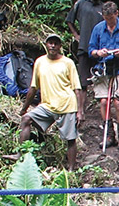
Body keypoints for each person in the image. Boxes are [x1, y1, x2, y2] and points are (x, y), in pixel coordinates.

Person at [19, 34, 84, 171]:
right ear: (46, 45)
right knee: (26, 119)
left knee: (70, 139)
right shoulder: (40, 62)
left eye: (56, 43)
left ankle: (71, 170)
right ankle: (20, 155)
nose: (53, 46)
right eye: (50, 43)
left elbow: (77, 88)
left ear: (60, 46)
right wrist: (24, 108)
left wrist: (80, 111)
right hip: (47, 105)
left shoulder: (68, 63)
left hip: (67, 105)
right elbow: (33, 87)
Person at [87, 1, 119, 149]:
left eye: (110, 17)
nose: (108, 21)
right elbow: (91, 50)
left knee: (118, 101)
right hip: (103, 68)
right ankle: (109, 134)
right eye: (106, 18)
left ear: (116, 14)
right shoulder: (98, 29)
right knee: (104, 101)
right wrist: (98, 52)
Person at [64, 0, 104, 117]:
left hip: (99, 50)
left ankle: (102, 112)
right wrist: (76, 34)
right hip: (84, 47)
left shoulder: (104, 8)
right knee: (82, 80)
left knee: (100, 79)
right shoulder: (81, 4)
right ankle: (80, 110)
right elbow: (69, 20)